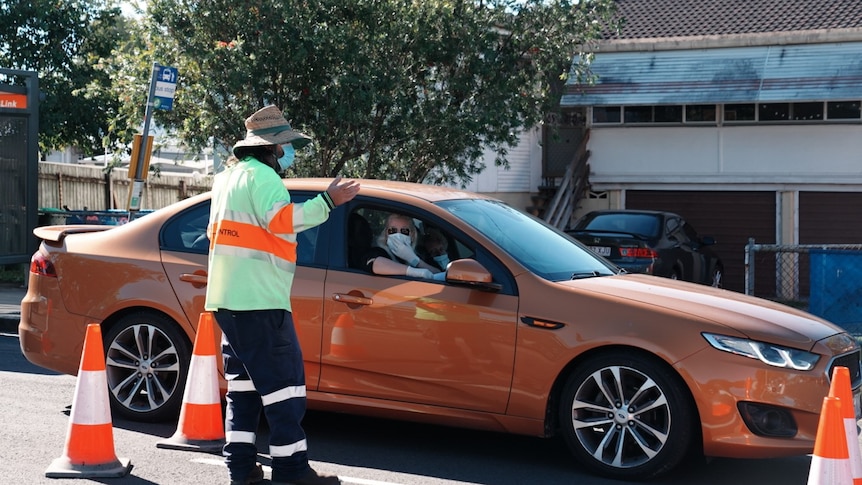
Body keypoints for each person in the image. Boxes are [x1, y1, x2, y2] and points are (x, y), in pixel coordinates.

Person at [205, 105, 359, 485]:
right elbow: (283, 220)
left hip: (227, 300)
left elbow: (214, 233)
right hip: (261, 300)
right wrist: (327, 202)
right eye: (285, 145)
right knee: (283, 390)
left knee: (242, 390)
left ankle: (240, 469)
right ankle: (291, 471)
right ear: (272, 148)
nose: (288, 153)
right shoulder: (266, 179)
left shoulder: (226, 179)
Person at [361, 213, 445, 280]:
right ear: (386, 234)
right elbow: (374, 263)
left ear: (412, 234)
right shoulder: (379, 251)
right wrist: (413, 272)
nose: (398, 235)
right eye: (392, 230)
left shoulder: (420, 253)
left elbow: (438, 274)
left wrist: (415, 260)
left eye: (404, 230)